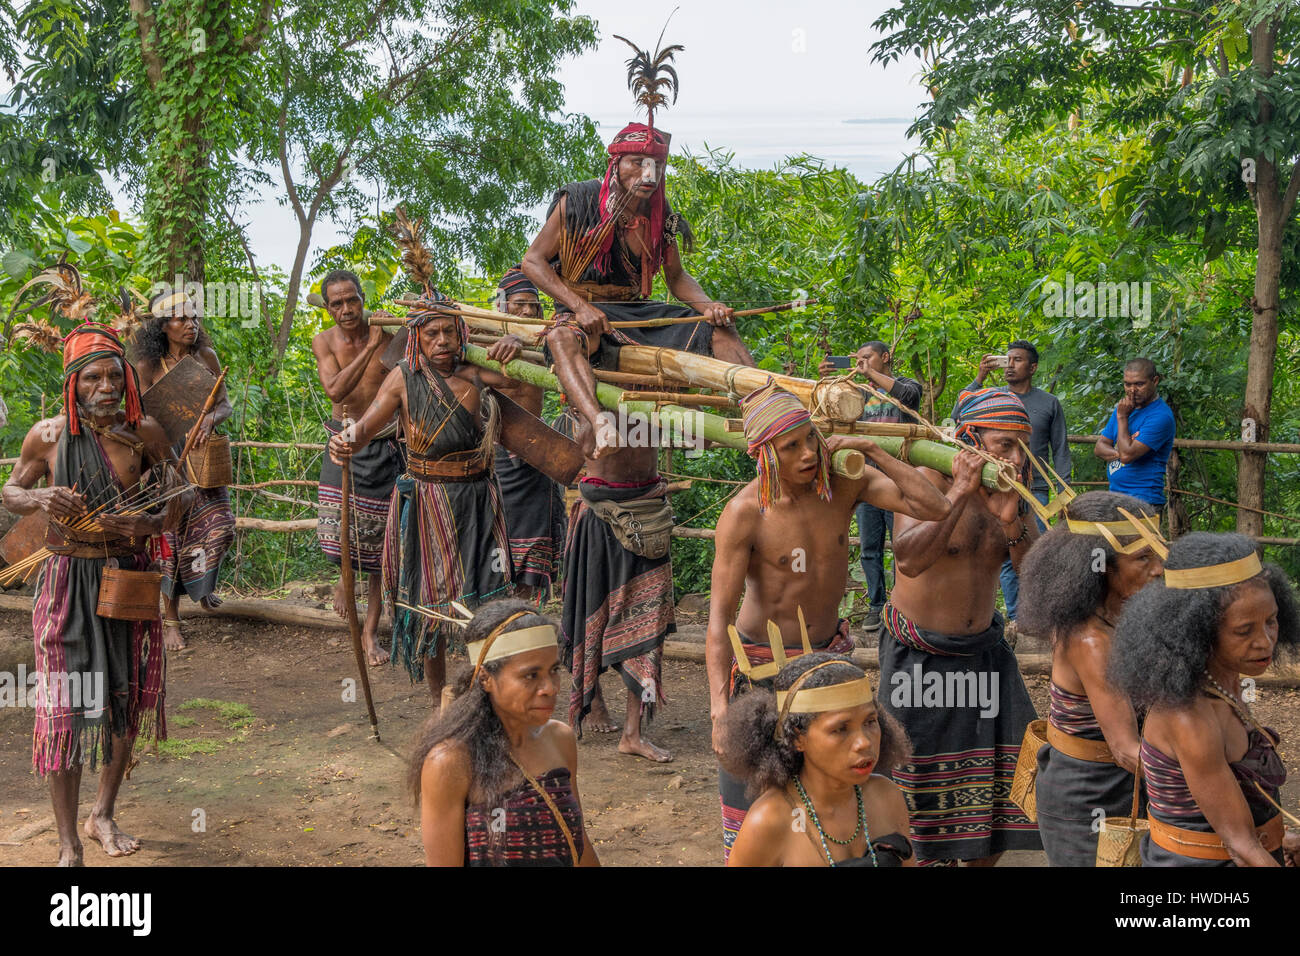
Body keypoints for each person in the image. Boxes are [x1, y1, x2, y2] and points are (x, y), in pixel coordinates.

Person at [707, 378, 950, 859]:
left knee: (842, 779)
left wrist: (872, 450)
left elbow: (935, 507)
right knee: (757, 797)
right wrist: (718, 706)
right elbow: (719, 621)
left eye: (809, 440)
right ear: (762, 454)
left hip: (828, 662)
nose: (806, 455)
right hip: (763, 671)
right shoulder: (744, 513)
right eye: (789, 447)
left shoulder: (843, 485)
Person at [2, 323, 179, 866]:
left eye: (113, 376)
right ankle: (67, 843)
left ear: (127, 378)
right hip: (65, 583)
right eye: (92, 378)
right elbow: (11, 491)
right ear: (72, 386)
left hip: (126, 578)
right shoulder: (47, 436)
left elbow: (180, 499)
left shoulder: (145, 432)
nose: (105, 386)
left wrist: (146, 525)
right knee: (63, 705)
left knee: (122, 700)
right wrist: (40, 500)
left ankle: (102, 813)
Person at [328, 294, 527, 702]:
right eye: (431, 333)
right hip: (427, 503)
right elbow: (364, 428)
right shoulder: (403, 378)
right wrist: (343, 442)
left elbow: (520, 379)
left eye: (448, 332)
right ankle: (440, 700)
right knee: (431, 605)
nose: (441, 341)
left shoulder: (477, 373)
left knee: (486, 599)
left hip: (477, 501)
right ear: (416, 337)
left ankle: (482, 692)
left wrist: (516, 345)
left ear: (461, 335)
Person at [522, 119, 755, 463]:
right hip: (582, 310)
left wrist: (708, 306)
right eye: (638, 163)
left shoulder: (662, 214)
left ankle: (763, 411)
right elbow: (533, 261)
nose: (649, 175)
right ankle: (600, 423)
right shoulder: (578, 200)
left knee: (719, 329)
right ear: (615, 164)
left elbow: (676, 277)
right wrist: (579, 307)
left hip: (636, 312)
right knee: (561, 339)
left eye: (657, 166)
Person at [878, 386, 1043, 865]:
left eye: (1022, 445)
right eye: (1004, 444)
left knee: (997, 790)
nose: (1016, 457)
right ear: (969, 441)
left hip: (984, 654)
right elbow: (908, 559)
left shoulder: (1017, 493)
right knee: (913, 783)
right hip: (919, 658)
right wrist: (960, 494)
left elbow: (1035, 580)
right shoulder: (926, 476)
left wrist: (1012, 522)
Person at [1110, 532, 1299, 867]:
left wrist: (1280, 837)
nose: (1265, 642)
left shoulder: (1223, 680)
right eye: (1244, 631)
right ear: (1196, 630)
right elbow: (1243, 847)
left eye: (1271, 621)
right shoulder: (1189, 716)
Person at [1016, 492, 1164, 865]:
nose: (1159, 567)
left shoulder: (1122, 614)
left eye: (1157, 552)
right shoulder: (1092, 640)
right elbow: (1126, 748)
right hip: (1088, 792)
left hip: (1117, 783)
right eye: (1143, 558)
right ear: (1100, 567)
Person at [410, 598, 599, 866]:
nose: (551, 688)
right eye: (531, 675)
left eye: (554, 670)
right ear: (486, 678)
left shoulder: (561, 739)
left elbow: (576, 840)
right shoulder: (450, 763)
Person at [721, 653, 915, 867]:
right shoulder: (768, 822)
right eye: (840, 729)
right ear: (797, 738)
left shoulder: (886, 797)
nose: (864, 743)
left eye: (870, 721)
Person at [131, 290, 236, 651]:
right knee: (170, 539)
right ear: (163, 326)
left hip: (203, 455)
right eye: (181, 320)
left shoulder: (205, 355)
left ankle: (202, 588)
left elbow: (225, 404)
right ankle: (172, 619)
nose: (191, 325)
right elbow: (141, 417)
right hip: (167, 458)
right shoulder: (146, 365)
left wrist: (208, 418)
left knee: (219, 528)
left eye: (194, 318)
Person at [311, 269, 403, 666]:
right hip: (343, 444)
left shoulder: (390, 331)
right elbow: (336, 390)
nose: (347, 309)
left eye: (352, 300)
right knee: (341, 537)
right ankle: (341, 584)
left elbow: (411, 376)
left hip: (386, 445)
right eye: (337, 303)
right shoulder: (324, 342)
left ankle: (369, 634)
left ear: (362, 299)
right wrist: (371, 348)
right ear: (328, 308)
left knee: (382, 547)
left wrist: (389, 335)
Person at [960, 340, 1072, 632]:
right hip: (997, 485)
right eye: (1007, 359)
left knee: (1036, 551)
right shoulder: (994, 397)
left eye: (1017, 360)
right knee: (1005, 550)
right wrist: (979, 379)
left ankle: (1040, 614)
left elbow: (1060, 449)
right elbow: (960, 413)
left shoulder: (1049, 403)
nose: (1009, 364)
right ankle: (1016, 617)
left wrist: (1064, 492)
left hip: (1036, 489)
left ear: (1032, 367)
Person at [819, 340, 923, 631]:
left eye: (868, 358)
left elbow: (909, 396)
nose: (862, 363)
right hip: (864, 480)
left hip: (899, 480)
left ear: (886, 357)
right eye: (859, 359)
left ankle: (903, 605)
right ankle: (877, 607)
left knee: (903, 545)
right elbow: (830, 408)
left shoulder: (906, 385)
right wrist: (827, 379)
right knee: (869, 548)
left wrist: (870, 375)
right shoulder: (857, 392)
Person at [491, 267, 566, 603]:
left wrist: (520, 338)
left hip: (534, 454)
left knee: (533, 548)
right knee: (494, 547)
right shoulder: (481, 336)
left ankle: (522, 617)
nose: (526, 312)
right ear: (502, 306)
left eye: (533, 306)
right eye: (519, 304)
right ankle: (497, 620)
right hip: (494, 454)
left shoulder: (547, 338)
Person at [1094, 357, 1175, 510]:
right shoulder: (1124, 409)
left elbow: (1127, 456)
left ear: (1155, 381)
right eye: (1127, 384)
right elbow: (1099, 447)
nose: (1132, 390)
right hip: (1115, 497)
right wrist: (1123, 449)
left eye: (1139, 384)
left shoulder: (1160, 416)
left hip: (1143, 501)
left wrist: (1122, 418)